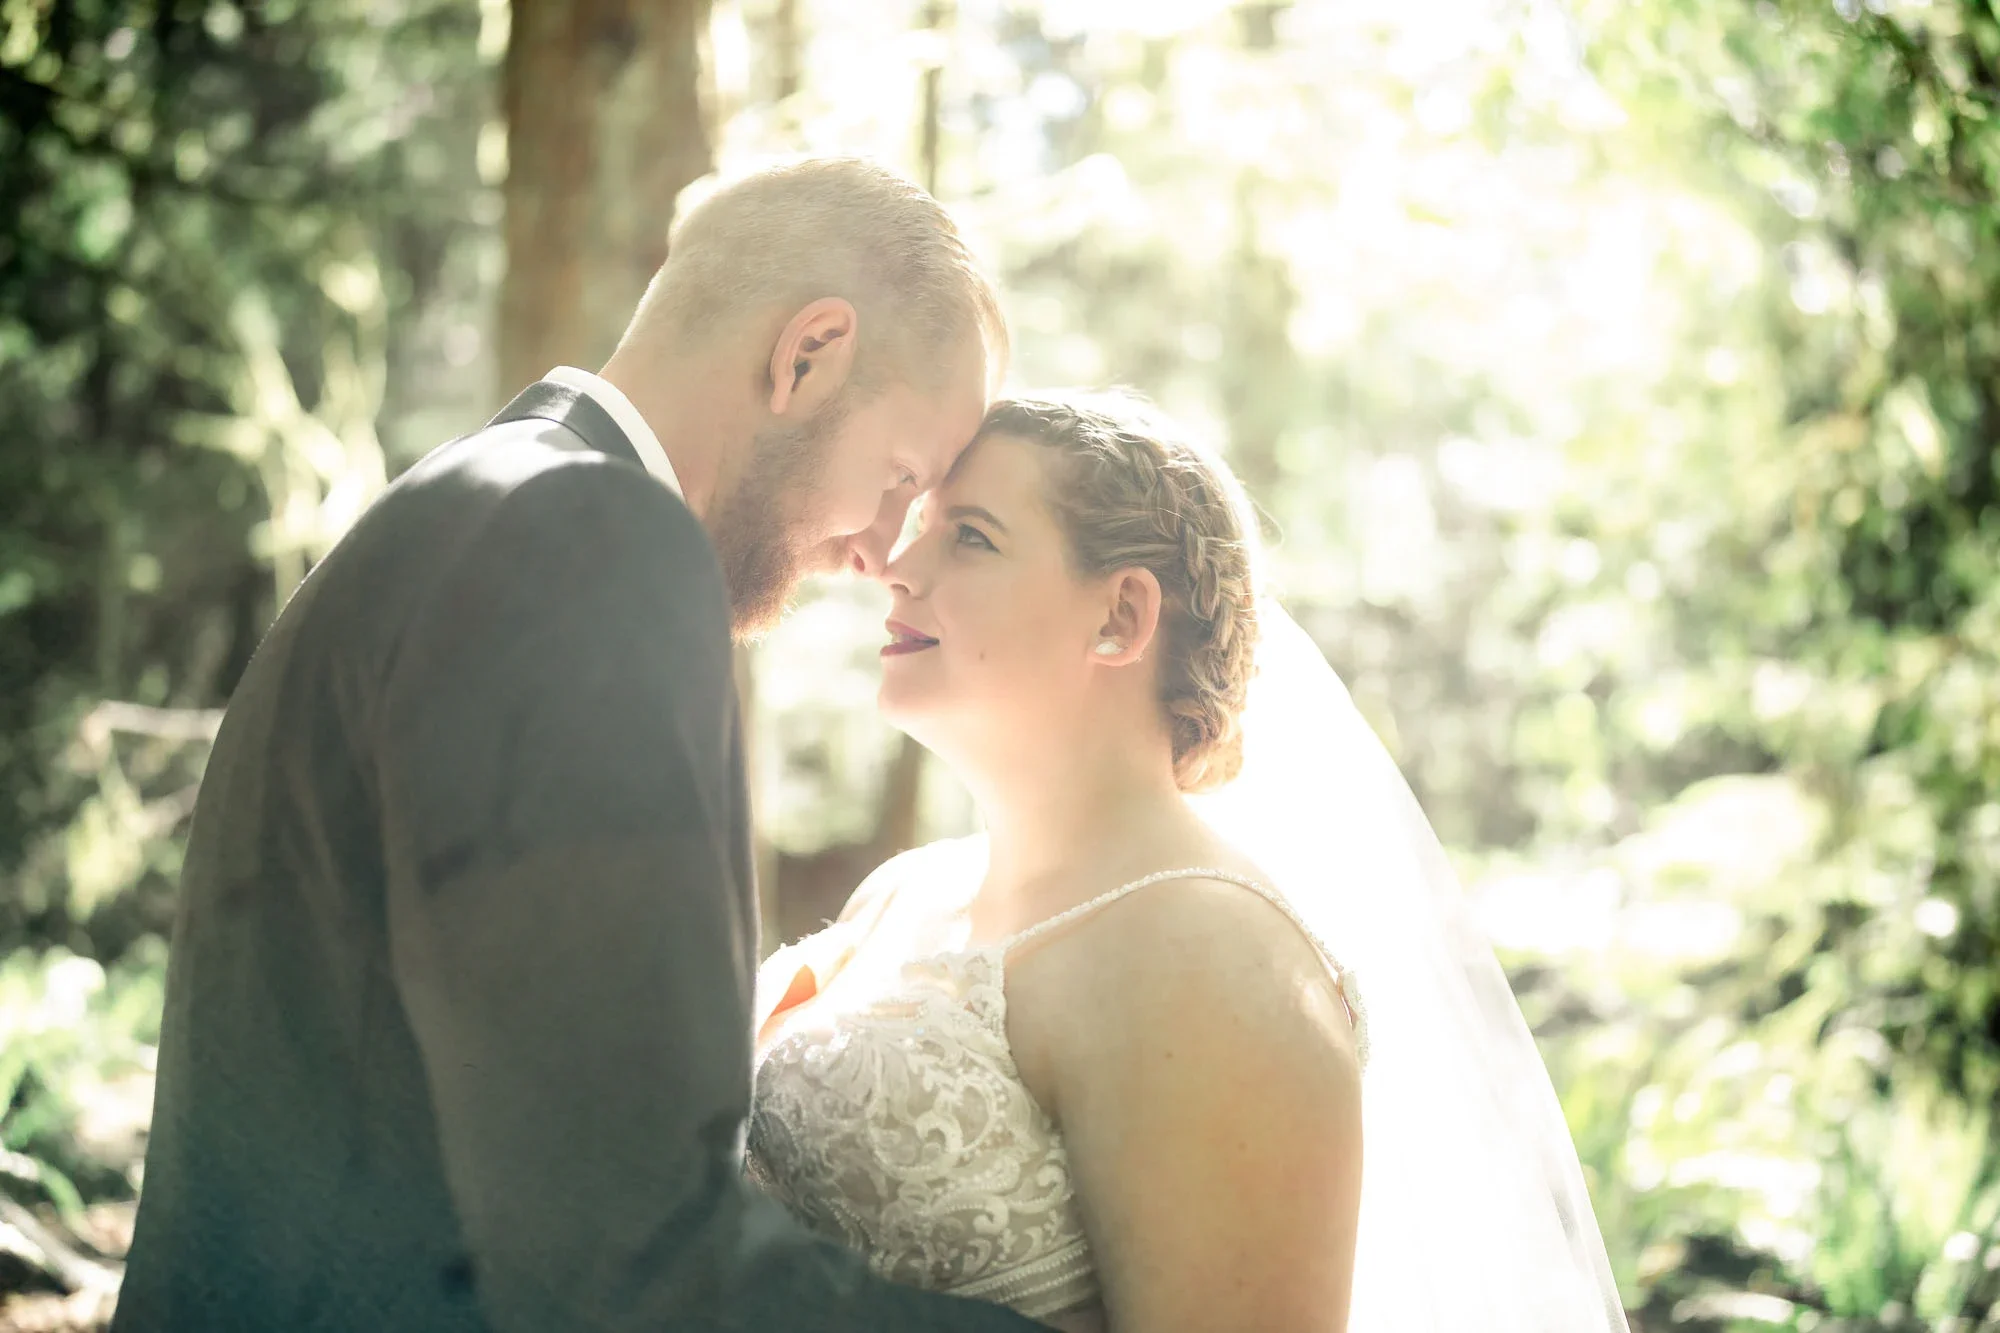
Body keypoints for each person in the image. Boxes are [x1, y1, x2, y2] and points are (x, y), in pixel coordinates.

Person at [113, 157, 1047, 1333]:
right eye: (898, 477)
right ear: (806, 353)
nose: (877, 551)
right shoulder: (584, 541)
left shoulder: (473, 499)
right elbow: (627, 1256)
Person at [747, 395, 1632, 1332]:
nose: (893, 567)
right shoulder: (903, 889)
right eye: (918, 528)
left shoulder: (1215, 956)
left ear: (1121, 616)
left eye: (969, 537)